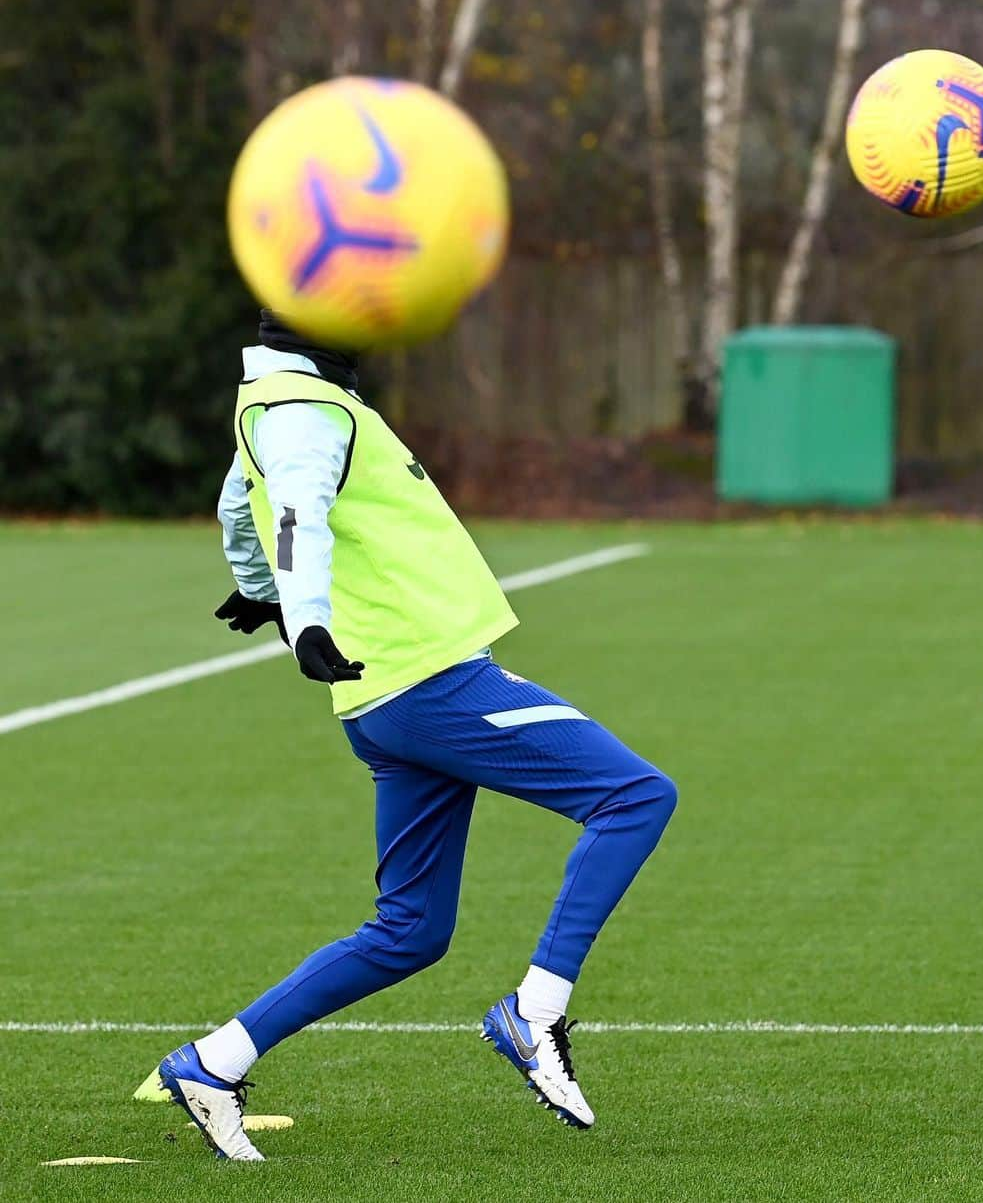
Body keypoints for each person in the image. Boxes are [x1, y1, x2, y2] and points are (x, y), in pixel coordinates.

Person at [157, 311, 677, 1160]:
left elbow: (235, 505)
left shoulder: (289, 396)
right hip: (430, 683)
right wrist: (304, 614)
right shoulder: (302, 409)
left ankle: (212, 1065)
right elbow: (293, 509)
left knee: (411, 929)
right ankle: (533, 1013)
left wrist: (258, 590)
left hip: (386, 701)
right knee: (636, 796)